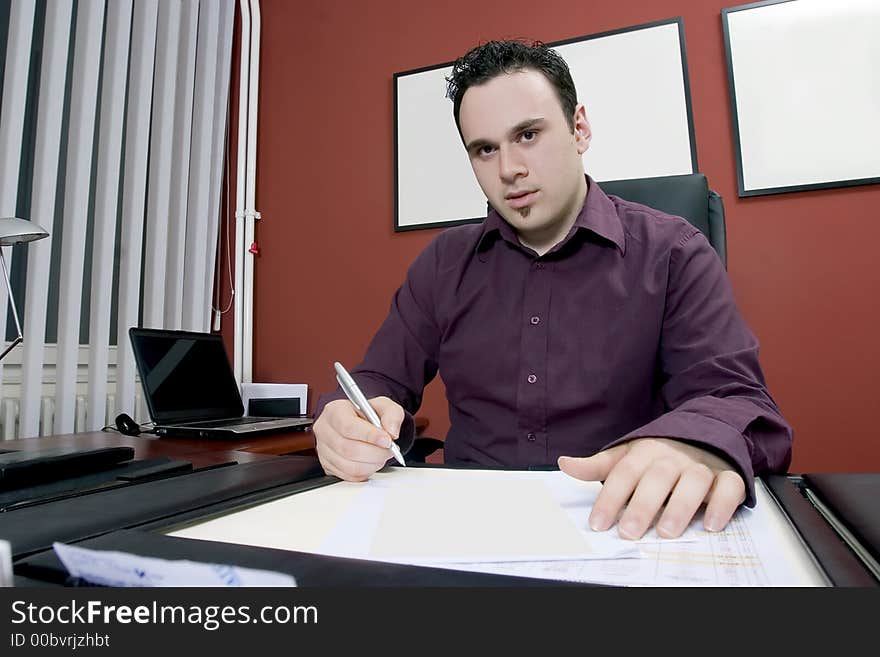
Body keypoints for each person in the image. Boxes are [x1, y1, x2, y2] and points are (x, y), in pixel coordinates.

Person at [313, 40, 792, 540]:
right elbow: (377, 381)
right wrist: (347, 421)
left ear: (579, 129)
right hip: (467, 527)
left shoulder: (674, 253)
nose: (508, 170)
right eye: (485, 149)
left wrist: (694, 446)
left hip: (618, 523)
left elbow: (734, 399)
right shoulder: (443, 263)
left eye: (527, 135)